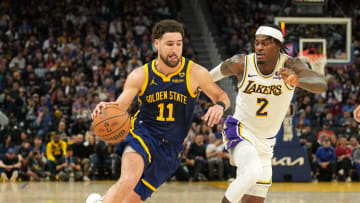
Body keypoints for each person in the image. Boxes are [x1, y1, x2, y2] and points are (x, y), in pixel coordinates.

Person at [88, 19, 230, 203]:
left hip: (171, 149)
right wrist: (107, 107)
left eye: (179, 44)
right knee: (128, 180)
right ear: (157, 44)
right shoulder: (141, 75)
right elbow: (120, 106)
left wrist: (219, 106)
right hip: (143, 134)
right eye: (169, 44)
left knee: (130, 200)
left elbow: (222, 96)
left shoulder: (195, 73)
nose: (175, 49)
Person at [210, 24, 327, 203]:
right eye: (257, 43)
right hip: (240, 130)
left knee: (254, 199)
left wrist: (297, 80)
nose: (259, 47)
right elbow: (209, 77)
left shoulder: (291, 65)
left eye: (265, 43)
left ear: (278, 45)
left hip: (266, 143)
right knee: (252, 171)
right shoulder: (241, 63)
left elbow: (320, 84)